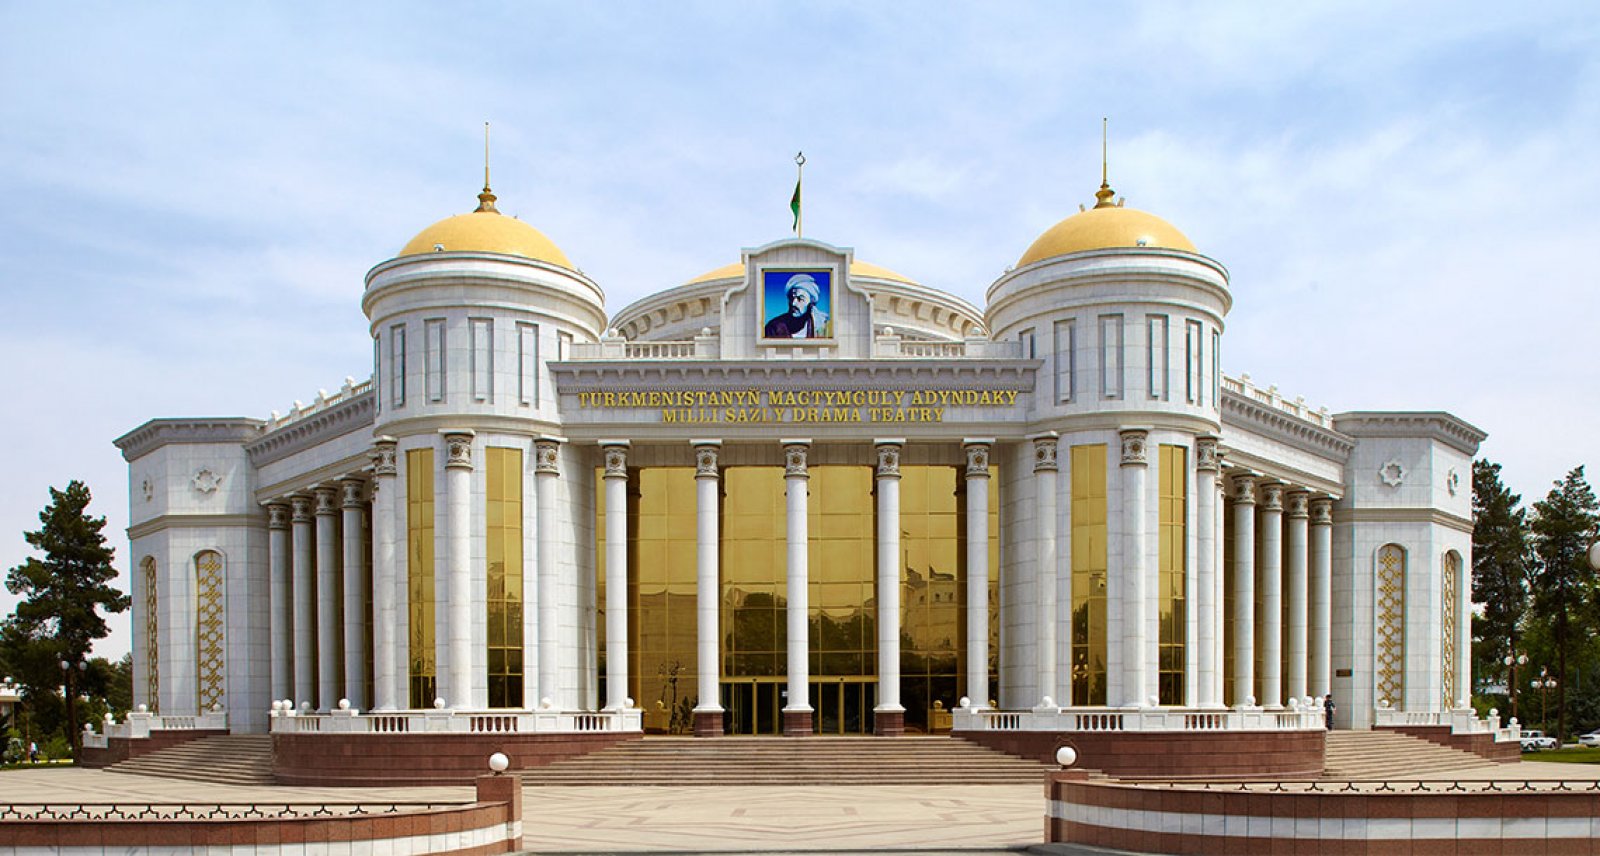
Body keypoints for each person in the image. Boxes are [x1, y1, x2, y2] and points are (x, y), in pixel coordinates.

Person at [764, 273, 830, 339]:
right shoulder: (773, 327)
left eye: (800, 299)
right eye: (791, 298)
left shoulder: (822, 327)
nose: (793, 303)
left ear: (811, 302)